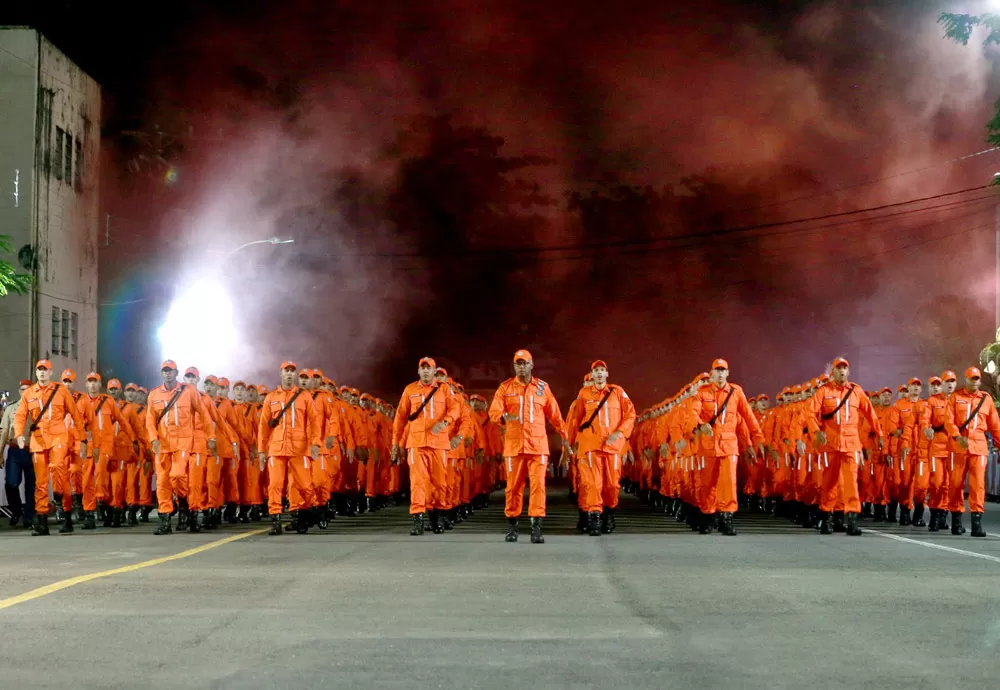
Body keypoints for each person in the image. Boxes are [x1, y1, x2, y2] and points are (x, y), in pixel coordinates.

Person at [487, 349, 569, 544]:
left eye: (525, 363)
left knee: (538, 487)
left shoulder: (542, 388)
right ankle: (513, 527)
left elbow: (555, 416)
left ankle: (536, 528)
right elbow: (494, 412)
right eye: (518, 363)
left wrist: (565, 437)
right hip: (514, 447)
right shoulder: (505, 388)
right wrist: (503, 417)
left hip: (538, 446)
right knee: (513, 487)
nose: (521, 367)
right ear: (514, 366)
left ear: (532, 365)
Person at [804, 357, 883, 536]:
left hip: (851, 444)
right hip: (830, 445)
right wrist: (816, 431)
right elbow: (810, 413)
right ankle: (826, 518)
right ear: (833, 372)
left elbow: (870, 413)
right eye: (838, 368)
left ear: (849, 372)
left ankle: (852, 520)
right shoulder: (824, 391)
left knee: (851, 483)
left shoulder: (856, 391)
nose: (841, 371)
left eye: (844, 368)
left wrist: (879, 433)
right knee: (829, 482)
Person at [686, 359, 764, 535]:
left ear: (727, 373)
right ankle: (707, 516)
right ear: (711, 373)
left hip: (728, 445)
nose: (720, 373)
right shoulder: (702, 392)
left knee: (728, 483)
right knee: (707, 483)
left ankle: (727, 519)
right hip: (707, 445)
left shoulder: (736, 392)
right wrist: (699, 424)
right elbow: (692, 413)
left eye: (723, 370)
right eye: (717, 370)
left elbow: (748, 416)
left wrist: (757, 437)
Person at [12, 360, 89, 536]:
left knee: (58, 470)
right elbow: (20, 416)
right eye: (39, 370)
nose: (42, 373)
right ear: (36, 373)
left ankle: (63, 508)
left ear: (51, 373)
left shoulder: (60, 390)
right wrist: (19, 434)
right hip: (38, 440)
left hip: (58, 437)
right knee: (40, 482)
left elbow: (76, 415)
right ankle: (41, 520)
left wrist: (82, 438)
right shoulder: (29, 393)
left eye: (45, 370)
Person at [391, 357, 461, 536]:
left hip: (438, 443)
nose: (425, 371)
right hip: (416, 443)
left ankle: (437, 518)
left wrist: (446, 422)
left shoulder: (444, 389)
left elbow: (455, 409)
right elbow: (400, 417)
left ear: (434, 371)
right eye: (422, 368)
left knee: (440, 482)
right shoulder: (410, 389)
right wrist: (395, 444)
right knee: (417, 482)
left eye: (428, 368)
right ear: (418, 371)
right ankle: (418, 520)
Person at [145, 360, 216, 535]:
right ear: (162, 373)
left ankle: (183, 500)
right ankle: (165, 520)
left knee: (177, 476)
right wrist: (153, 439)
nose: (168, 374)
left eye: (171, 371)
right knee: (162, 482)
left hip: (183, 443)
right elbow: (149, 421)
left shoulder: (188, 391)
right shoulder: (154, 395)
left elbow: (204, 414)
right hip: (163, 445)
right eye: (165, 371)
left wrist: (211, 436)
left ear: (176, 373)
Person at [566, 360, 636, 536]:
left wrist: (620, 433)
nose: (599, 373)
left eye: (602, 370)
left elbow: (630, 414)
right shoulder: (584, 394)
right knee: (593, 484)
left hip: (612, 446)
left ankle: (609, 512)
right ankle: (595, 518)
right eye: (596, 370)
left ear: (607, 374)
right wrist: (570, 443)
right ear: (592, 374)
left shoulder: (617, 392)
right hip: (591, 445)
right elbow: (576, 420)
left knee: (612, 484)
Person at [257, 361, 322, 536]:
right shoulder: (271, 397)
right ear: (281, 374)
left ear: (295, 376)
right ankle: (276, 520)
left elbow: (315, 421)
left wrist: (315, 443)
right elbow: (263, 426)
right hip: (277, 448)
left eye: (293, 372)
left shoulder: (304, 396)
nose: (289, 374)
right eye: (286, 371)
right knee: (275, 485)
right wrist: (262, 451)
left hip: (299, 449)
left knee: (305, 486)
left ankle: (304, 515)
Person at [945, 366, 1000, 537]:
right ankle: (956, 521)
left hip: (979, 446)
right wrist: (956, 436)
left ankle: (976, 524)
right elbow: (948, 421)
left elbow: (995, 425)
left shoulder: (986, 399)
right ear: (966, 379)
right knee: (955, 484)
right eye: (971, 379)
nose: (974, 382)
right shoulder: (955, 397)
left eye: (977, 379)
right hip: (958, 446)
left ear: (980, 380)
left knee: (978, 486)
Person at [0, 380, 35, 529]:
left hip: (32, 451)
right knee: (11, 483)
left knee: (31, 486)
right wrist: (0, 452)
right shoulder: (11, 408)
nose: (24, 392)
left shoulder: (38, 407)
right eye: (22, 389)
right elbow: (5, 431)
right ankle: (16, 510)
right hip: (14, 450)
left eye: (27, 389)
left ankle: (28, 517)